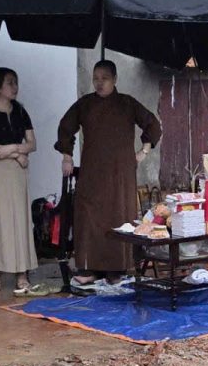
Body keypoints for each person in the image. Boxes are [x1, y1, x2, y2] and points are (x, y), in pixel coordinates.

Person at [54, 59, 160, 288]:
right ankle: (88, 268)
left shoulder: (127, 104)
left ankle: (116, 270)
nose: (99, 83)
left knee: (118, 217)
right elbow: (65, 127)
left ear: (115, 80)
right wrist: (67, 155)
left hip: (120, 173)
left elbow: (153, 124)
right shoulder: (85, 104)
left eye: (105, 78)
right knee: (88, 217)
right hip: (92, 171)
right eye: (96, 78)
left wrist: (143, 151)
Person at [0, 67, 39, 293]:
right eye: (10, 82)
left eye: (15, 82)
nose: (14, 87)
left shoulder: (20, 111)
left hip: (17, 171)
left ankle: (22, 272)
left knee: (20, 220)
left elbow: (32, 143)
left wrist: (13, 150)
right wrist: (16, 152)